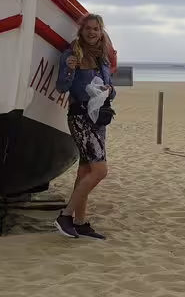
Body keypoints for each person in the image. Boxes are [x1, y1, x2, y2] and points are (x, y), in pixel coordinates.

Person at [53, 13, 116, 240]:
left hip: (99, 118)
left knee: (85, 171)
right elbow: (62, 87)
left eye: (96, 29)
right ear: (81, 31)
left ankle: (80, 222)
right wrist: (69, 69)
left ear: (101, 32)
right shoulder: (72, 54)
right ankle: (66, 215)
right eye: (88, 28)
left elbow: (112, 88)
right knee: (100, 170)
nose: (92, 32)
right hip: (80, 118)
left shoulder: (103, 59)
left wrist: (109, 90)